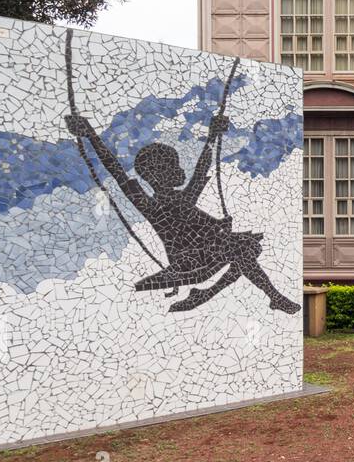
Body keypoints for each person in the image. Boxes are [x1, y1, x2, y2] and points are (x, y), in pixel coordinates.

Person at [65, 111, 300, 315]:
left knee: (248, 246)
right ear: (156, 175)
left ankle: (207, 292)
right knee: (241, 248)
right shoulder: (152, 206)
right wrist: (90, 135)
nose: (179, 169)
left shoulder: (181, 199)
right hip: (187, 263)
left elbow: (198, 188)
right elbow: (117, 171)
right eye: (172, 166)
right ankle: (272, 297)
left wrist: (213, 136)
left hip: (205, 252)